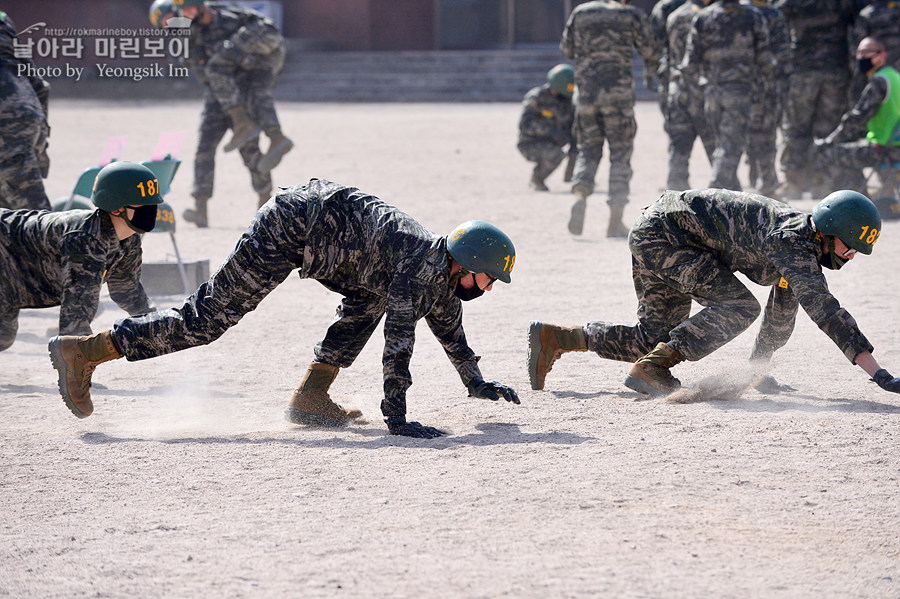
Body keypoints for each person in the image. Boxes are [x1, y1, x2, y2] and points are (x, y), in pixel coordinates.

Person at [49, 179, 521, 438]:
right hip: (291, 226)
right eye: (488, 278)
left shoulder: (440, 270)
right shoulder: (421, 266)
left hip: (327, 239)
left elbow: (448, 328)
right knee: (208, 319)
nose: (489, 288)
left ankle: (310, 398)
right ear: (468, 263)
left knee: (367, 303)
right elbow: (399, 343)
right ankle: (89, 351)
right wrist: (396, 418)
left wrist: (476, 383)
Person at [527, 188, 900, 399]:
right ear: (830, 231)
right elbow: (826, 311)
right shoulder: (793, 243)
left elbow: (782, 314)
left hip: (661, 232)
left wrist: (758, 371)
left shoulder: (801, 246)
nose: (851, 256)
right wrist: (879, 374)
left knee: (652, 338)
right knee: (739, 306)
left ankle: (557, 338)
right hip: (665, 235)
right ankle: (655, 367)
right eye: (850, 247)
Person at [0, 161, 161, 351]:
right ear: (116, 208)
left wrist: (159, 326)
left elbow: (126, 290)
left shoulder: (128, 240)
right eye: (144, 203)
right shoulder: (85, 239)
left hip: (10, 277)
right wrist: (79, 367)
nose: (151, 208)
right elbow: (76, 319)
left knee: (3, 336)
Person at [161, 0, 293, 228]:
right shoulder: (188, 35)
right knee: (204, 148)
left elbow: (248, 55)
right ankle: (200, 207)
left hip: (240, 93)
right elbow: (199, 68)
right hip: (216, 98)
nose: (186, 15)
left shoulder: (230, 20)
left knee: (250, 150)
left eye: (189, 9)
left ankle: (264, 205)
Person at [560, 0, 659, 237]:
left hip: (586, 97)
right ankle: (615, 221)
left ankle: (580, 194)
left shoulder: (580, 12)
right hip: (618, 97)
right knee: (620, 157)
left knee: (588, 150)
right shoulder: (630, 15)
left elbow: (567, 50)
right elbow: (650, 50)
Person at [681, 0, 775, 192]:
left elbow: (690, 63)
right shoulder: (753, 16)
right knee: (730, 148)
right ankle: (713, 193)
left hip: (712, 93)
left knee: (722, 147)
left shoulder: (703, 17)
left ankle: (732, 196)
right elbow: (765, 59)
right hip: (739, 91)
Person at [774, 0, 857, 200]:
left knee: (796, 128)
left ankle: (793, 183)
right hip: (835, 71)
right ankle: (822, 182)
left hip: (803, 71)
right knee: (827, 129)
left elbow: (775, 16)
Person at [813, 37, 900, 198]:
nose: (861, 57)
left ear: (882, 55)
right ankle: (868, 195)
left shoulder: (879, 81)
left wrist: (830, 141)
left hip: (885, 148)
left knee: (828, 154)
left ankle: (854, 202)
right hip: (893, 144)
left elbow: (857, 118)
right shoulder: (894, 76)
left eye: (867, 52)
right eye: (859, 52)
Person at [0, 11, 51, 211]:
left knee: (32, 219)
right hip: (29, 111)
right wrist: (41, 143)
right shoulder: (3, 20)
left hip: (7, 123)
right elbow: (40, 85)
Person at [662, 0, 715, 190]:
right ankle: (726, 198)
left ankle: (673, 198)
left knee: (679, 148)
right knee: (715, 147)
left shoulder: (674, 16)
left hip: (678, 89)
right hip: (702, 90)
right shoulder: (708, 16)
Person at [742, 0, 791, 198]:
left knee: (741, 134)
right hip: (767, 86)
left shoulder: (742, 13)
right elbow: (783, 52)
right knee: (767, 135)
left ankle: (753, 168)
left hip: (740, 84)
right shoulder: (773, 14)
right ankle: (768, 184)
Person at [517, 64, 577, 192]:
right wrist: (550, 132)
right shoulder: (536, 98)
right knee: (555, 155)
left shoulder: (568, 101)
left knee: (581, 140)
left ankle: (574, 176)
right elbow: (524, 125)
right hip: (531, 143)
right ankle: (536, 179)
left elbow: (573, 125)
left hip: (555, 141)